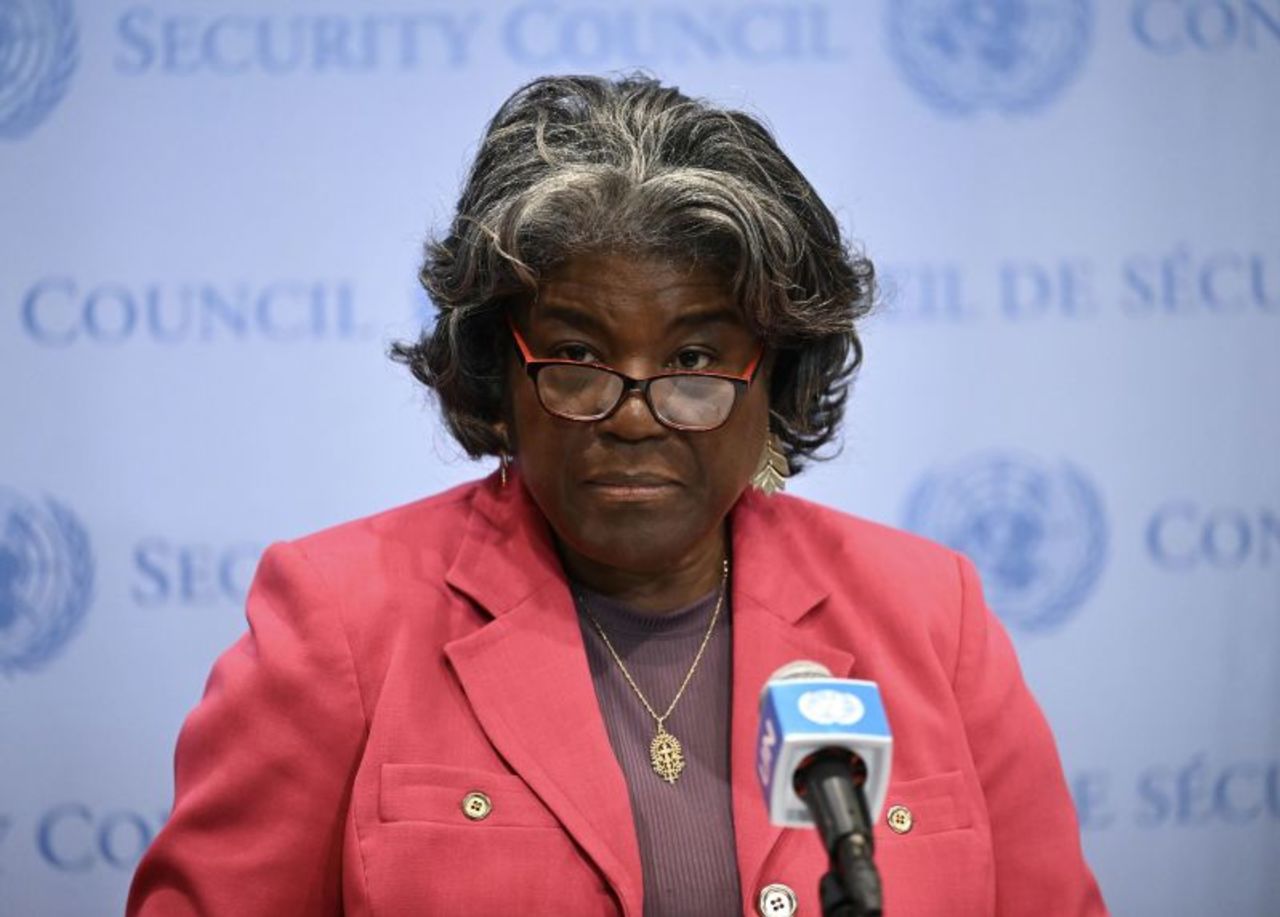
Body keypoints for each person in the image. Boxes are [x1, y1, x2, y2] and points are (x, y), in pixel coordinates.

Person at [128, 73, 1107, 916]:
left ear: (775, 373)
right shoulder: (340, 616)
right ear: (496, 371)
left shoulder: (928, 612)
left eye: (691, 357)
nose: (633, 414)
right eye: (577, 354)